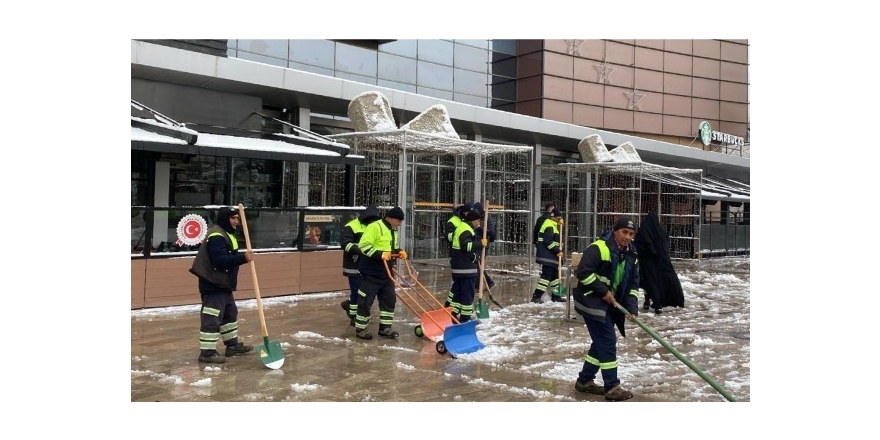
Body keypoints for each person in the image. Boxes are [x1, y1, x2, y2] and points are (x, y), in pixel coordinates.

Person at [570, 216, 641, 401]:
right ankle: (612, 386)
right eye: (624, 232)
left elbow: (633, 284)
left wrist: (632, 307)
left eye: (631, 234)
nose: (627, 237)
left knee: (601, 342)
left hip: (610, 303)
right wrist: (603, 291)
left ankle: (584, 381)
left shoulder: (631, 254)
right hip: (590, 300)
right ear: (616, 231)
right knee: (608, 341)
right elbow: (583, 272)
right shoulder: (599, 248)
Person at [188, 206, 255, 363]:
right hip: (213, 283)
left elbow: (229, 255)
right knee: (212, 317)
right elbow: (219, 261)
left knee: (229, 313)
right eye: (233, 218)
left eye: (237, 218)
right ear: (225, 219)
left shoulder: (227, 234)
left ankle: (232, 346)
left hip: (223, 284)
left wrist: (241, 257)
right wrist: (243, 258)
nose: (236, 222)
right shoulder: (217, 235)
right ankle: (207, 353)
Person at [354, 206, 407, 340]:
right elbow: (364, 246)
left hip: (387, 273)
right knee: (365, 301)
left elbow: (390, 248)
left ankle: (385, 328)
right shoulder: (375, 227)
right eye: (399, 221)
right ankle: (361, 328)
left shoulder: (392, 230)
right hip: (371, 272)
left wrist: (398, 251)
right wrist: (380, 255)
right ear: (390, 218)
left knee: (389, 300)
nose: (400, 224)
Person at [634, 212, 685, 314]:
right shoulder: (661, 231)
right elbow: (665, 246)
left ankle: (651, 302)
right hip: (660, 262)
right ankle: (658, 303)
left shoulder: (642, 231)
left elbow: (638, 245)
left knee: (648, 282)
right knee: (658, 283)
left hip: (646, 263)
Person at [339, 205, 381, 325]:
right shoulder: (352, 226)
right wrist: (362, 250)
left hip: (368, 265)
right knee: (357, 291)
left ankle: (353, 311)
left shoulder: (375, 227)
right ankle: (354, 316)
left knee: (363, 292)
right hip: (353, 264)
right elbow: (345, 244)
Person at [448, 208, 483, 322]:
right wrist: (479, 244)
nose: (479, 223)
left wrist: (474, 256)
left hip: (458, 267)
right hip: (466, 269)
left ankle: (453, 315)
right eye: (478, 221)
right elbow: (466, 246)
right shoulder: (466, 230)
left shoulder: (461, 227)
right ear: (474, 220)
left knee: (458, 294)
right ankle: (465, 319)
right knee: (467, 295)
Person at [443, 203, 474, 307]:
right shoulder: (453, 221)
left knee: (459, 284)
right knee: (458, 283)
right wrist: (459, 233)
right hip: (457, 254)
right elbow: (448, 236)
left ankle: (452, 304)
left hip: (466, 256)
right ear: (464, 212)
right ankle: (450, 304)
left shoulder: (467, 222)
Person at [531, 208, 566, 303]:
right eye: (559, 218)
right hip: (547, 256)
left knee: (554, 276)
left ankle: (556, 295)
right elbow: (548, 242)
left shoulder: (552, 225)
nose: (560, 220)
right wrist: (557, 250)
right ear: (554, 218)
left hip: (550, 256)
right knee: (546, 276)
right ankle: (536, 296)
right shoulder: (549, 226)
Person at [473, 202, 496, 290]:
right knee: (477, 264)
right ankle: (489, 282)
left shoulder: (488, 219)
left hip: (484, 244)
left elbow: (491, 232)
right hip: (477, 243)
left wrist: (479, 227)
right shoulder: (476, 218)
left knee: (477, 264)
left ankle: (478, 286)